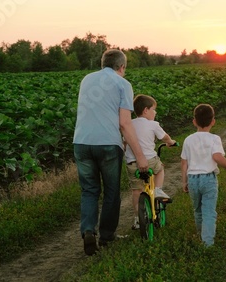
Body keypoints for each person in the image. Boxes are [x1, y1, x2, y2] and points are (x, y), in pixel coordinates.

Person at [73, 49, 148, 256]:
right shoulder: (123, 84)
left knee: (89, 190)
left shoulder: (86, 80)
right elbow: (125, 123)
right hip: (107, 144)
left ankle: (88, 231)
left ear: (102, 64)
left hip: (81, 142)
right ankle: (106, 236)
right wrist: (140, 156)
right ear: (122, 67)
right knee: (111, 192)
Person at [181, 104, 226, 247]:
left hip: (193, 179)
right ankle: (208, 243)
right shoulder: (214, 139)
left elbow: (184, 163)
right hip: (209, 179)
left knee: (198, 209)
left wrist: (184, 182)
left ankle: (201, 235)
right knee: (209, 211)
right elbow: (217, 157)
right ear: (213, 121)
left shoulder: (188, 139)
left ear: (194, 121)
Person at [125, 94, 176, 230]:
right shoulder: (153, 124)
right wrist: (171, 142)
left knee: (136, 191)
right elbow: (165, 137)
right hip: (149, 161)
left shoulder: (128, 124)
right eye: (154, 109)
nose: (155, 112)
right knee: (160, 170)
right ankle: (158, 190)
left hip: (132, 163)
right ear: (146, 110)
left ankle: (137, 218)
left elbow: (124, 143)